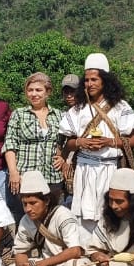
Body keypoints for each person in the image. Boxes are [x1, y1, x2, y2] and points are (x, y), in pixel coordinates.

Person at [59, 54, 134, 235]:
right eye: (87, 80)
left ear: (105, 80)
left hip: (111, 169)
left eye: (94, 79)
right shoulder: (78, 109)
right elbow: (68, 142)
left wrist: (110, 142)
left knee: (111, 214)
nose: (90, 84)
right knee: (83, 218)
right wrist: (81, 142)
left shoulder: (120, 107)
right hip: (84, 169)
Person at [5, 170, 88, 266]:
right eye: (25, 204)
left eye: (33, 203)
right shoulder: (26, 220)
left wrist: (40, 265)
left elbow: (75, 250)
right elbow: (20, 251)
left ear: (47, 200)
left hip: (68, 263)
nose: (28, 209)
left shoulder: (63, 215)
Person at [4, 72, 66, 216]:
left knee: (52, 218)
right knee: (25, 219)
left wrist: (62, 157)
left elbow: (63, 142)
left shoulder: (59, 115)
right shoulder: (19, 114)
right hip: (25, 176)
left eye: (38, 90)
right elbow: (10, 144)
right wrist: (13, 172)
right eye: (30, 90)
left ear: (47, 92)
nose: (34, 94)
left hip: (52, 176)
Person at [56, 73, 80, 208]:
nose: (69, 95)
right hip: (67, 170)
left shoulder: (87, 113)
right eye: (66, 92)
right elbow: (59, 142)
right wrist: (61, 159)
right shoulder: (63, 115)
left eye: (73, 91)